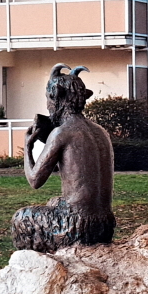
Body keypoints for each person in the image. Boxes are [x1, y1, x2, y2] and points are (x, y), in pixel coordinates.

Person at [11, 64, 115, 252]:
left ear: (56, 97)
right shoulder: (101, 132)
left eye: (48, 99)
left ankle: (36, 264)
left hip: (77, 224)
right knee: (54, 202)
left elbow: (34, 180)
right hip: (105, 225)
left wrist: (28, 147)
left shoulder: (62, 133)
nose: (48, 106)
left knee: (21, 218)